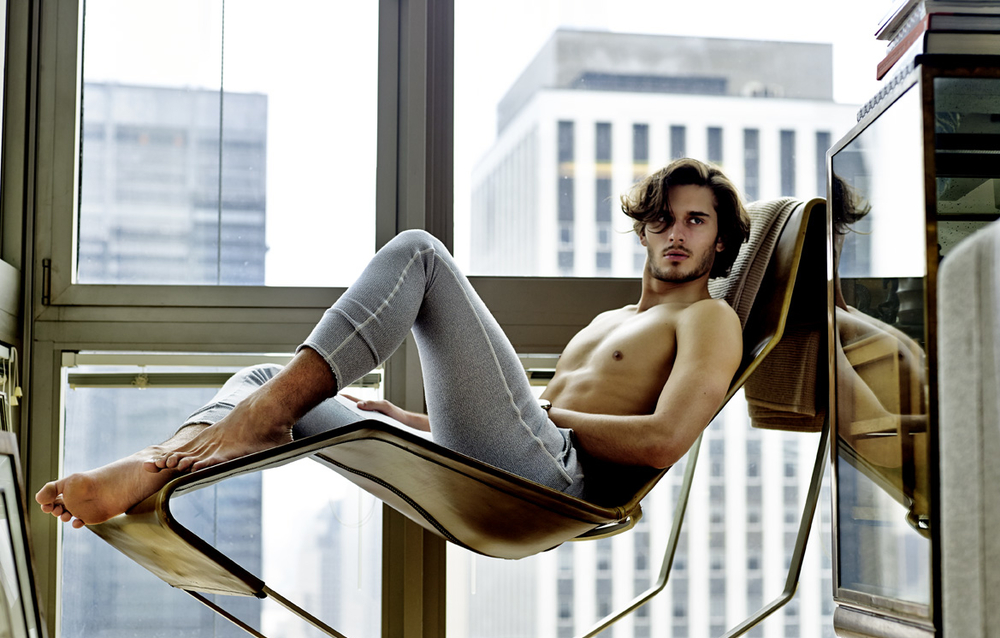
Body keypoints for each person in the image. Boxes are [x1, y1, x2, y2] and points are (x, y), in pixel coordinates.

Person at [36, 157, 748, 529]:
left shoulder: (707, 320)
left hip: (554, 485)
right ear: (643, 229)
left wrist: (547, 413)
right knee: (263, 374)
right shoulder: (608, 321)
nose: (676, 233)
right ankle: (153, 464)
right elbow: (517, 420)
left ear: (720, 241)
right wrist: (410, 420)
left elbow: (663, 441)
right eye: (663, 219)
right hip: (508, 459)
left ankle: (264, 418)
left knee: (420, 254)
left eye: (696, 220)